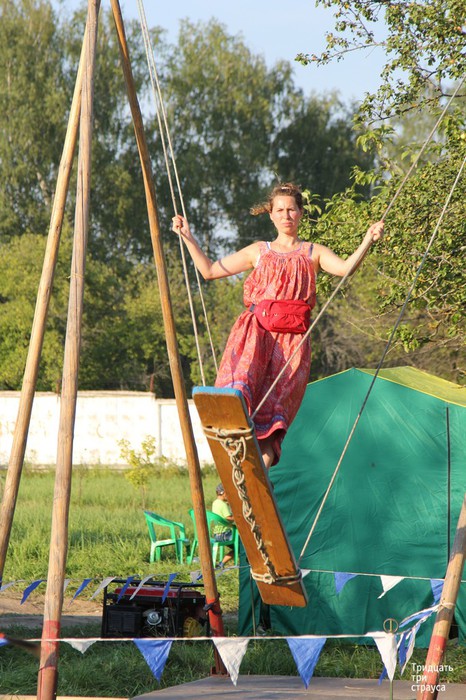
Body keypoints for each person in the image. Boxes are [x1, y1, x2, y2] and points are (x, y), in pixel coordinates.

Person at [172, 182, 384, 468]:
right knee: (238, 397)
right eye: (280, 210)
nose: (286, 216)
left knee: (273, 419)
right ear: (270, 214)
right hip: (255, 335)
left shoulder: (313, 253)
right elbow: (209, 271)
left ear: (301, 213)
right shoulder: (259, 251)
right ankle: (235, 468)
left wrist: (368, 240)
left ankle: (258, 478)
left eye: (291, 210)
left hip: (292, 343)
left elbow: (346, 269)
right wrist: (188, 237)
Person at [211, 483, 235, 568]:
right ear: (224, 493)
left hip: (217, 534)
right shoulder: (223, 504)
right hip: (225, 534)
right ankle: (222, 563)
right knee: (242, 546)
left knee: (238, 547)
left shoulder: (215, 503)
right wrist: (237, 518)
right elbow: (228, 518)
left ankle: (221, 563)